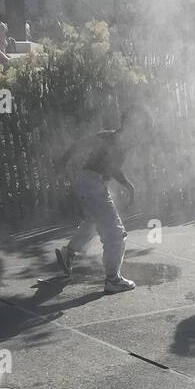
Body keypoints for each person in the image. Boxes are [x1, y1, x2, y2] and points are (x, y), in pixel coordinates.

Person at [53, 107, 150, 293]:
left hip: (85, 181)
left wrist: (62, 161)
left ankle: (68, 253)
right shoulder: (120, 141)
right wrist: (129, 185)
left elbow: (79, 145)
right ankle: (113, 280)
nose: (142, 133)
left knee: (93, 224)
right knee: (115, 234)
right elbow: (111, 166)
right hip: (92, 184)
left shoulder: (108, 135)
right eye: (143, 127)